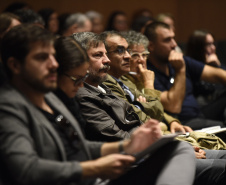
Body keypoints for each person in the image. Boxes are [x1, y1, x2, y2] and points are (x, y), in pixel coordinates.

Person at [0, 24, 197, 185]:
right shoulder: (9, 107)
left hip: (94, 176)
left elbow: (78, 147)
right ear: (15, 65)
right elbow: (27, 169)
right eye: (42, 58)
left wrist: (128, 146)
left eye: (52, 56)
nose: (53, 64)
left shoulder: (49, 98)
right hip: (88, 177)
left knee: (180, 149)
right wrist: (96, 168)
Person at [72, 31, 226, 185]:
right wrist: (164, 148)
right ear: (79, 60)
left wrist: (167, 137)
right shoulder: (84, 94)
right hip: (136, 162)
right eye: (98, 55)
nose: (107, 60)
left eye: (105, 54)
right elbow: (118, 135)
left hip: (152, 148)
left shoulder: (104, 87)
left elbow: (143, 116)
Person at [101, 30, 191, 134]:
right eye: (135, 55)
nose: (141, 60)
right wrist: (148, 84)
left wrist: (171, 121)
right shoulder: (122, 79)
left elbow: (157, 108)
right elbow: (151, 117)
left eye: (144, 55)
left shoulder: (134, 78)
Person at [144, 21, 226, 130]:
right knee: (221, 127)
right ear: (151, 46)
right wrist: (180, 70)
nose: (174, 44)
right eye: (167, 40)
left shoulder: (182, 60)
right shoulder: (148, 73)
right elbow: (174, 106)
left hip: (200, 114)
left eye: (173, 38)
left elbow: (218, 75)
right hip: (180, 122)